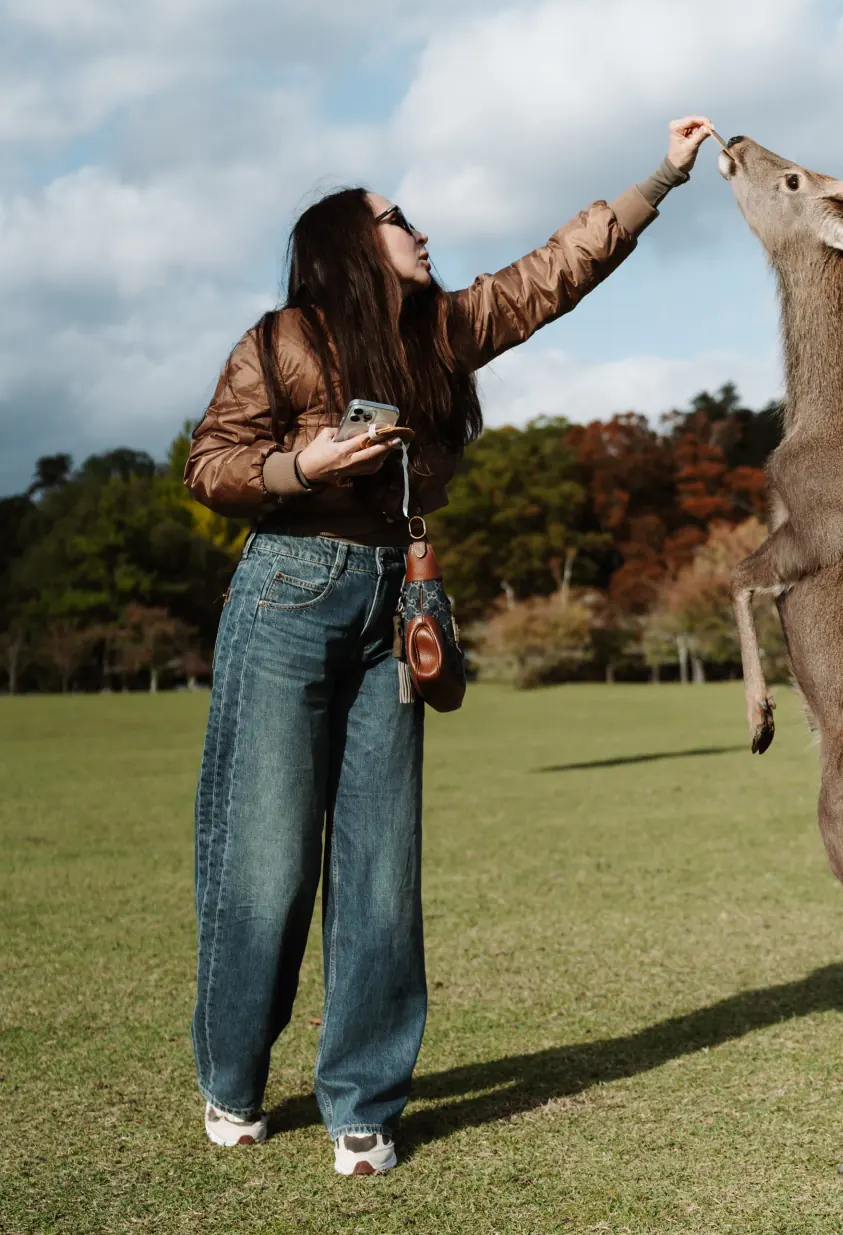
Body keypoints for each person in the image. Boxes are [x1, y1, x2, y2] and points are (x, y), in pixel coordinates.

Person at [184, 115, 715, 1175]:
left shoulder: (441, 332)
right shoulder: (280, 339)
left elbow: (552, 275)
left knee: (381, 868)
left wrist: (662, 176)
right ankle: (233, 1080)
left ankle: (363, 1105)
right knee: (266, 863)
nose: (420, 232)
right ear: (349, 244)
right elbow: (211, 464)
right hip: (287, 592)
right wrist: (304, 465)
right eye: (398, 220)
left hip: (400, 600)